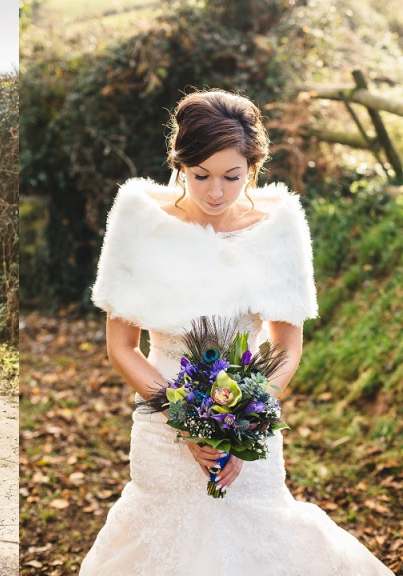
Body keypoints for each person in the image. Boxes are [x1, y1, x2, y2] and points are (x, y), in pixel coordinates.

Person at [80, 90, 393, 574]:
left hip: (250, 421)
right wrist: (184, 420)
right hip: (162, 424)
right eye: (200, 175)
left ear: (254, 166)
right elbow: (121, 346)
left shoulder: (279, 227)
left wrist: (244, 420)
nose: (215, 192)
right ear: (179, 163)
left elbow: (287, 345)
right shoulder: (140, 221)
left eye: (233, 176)